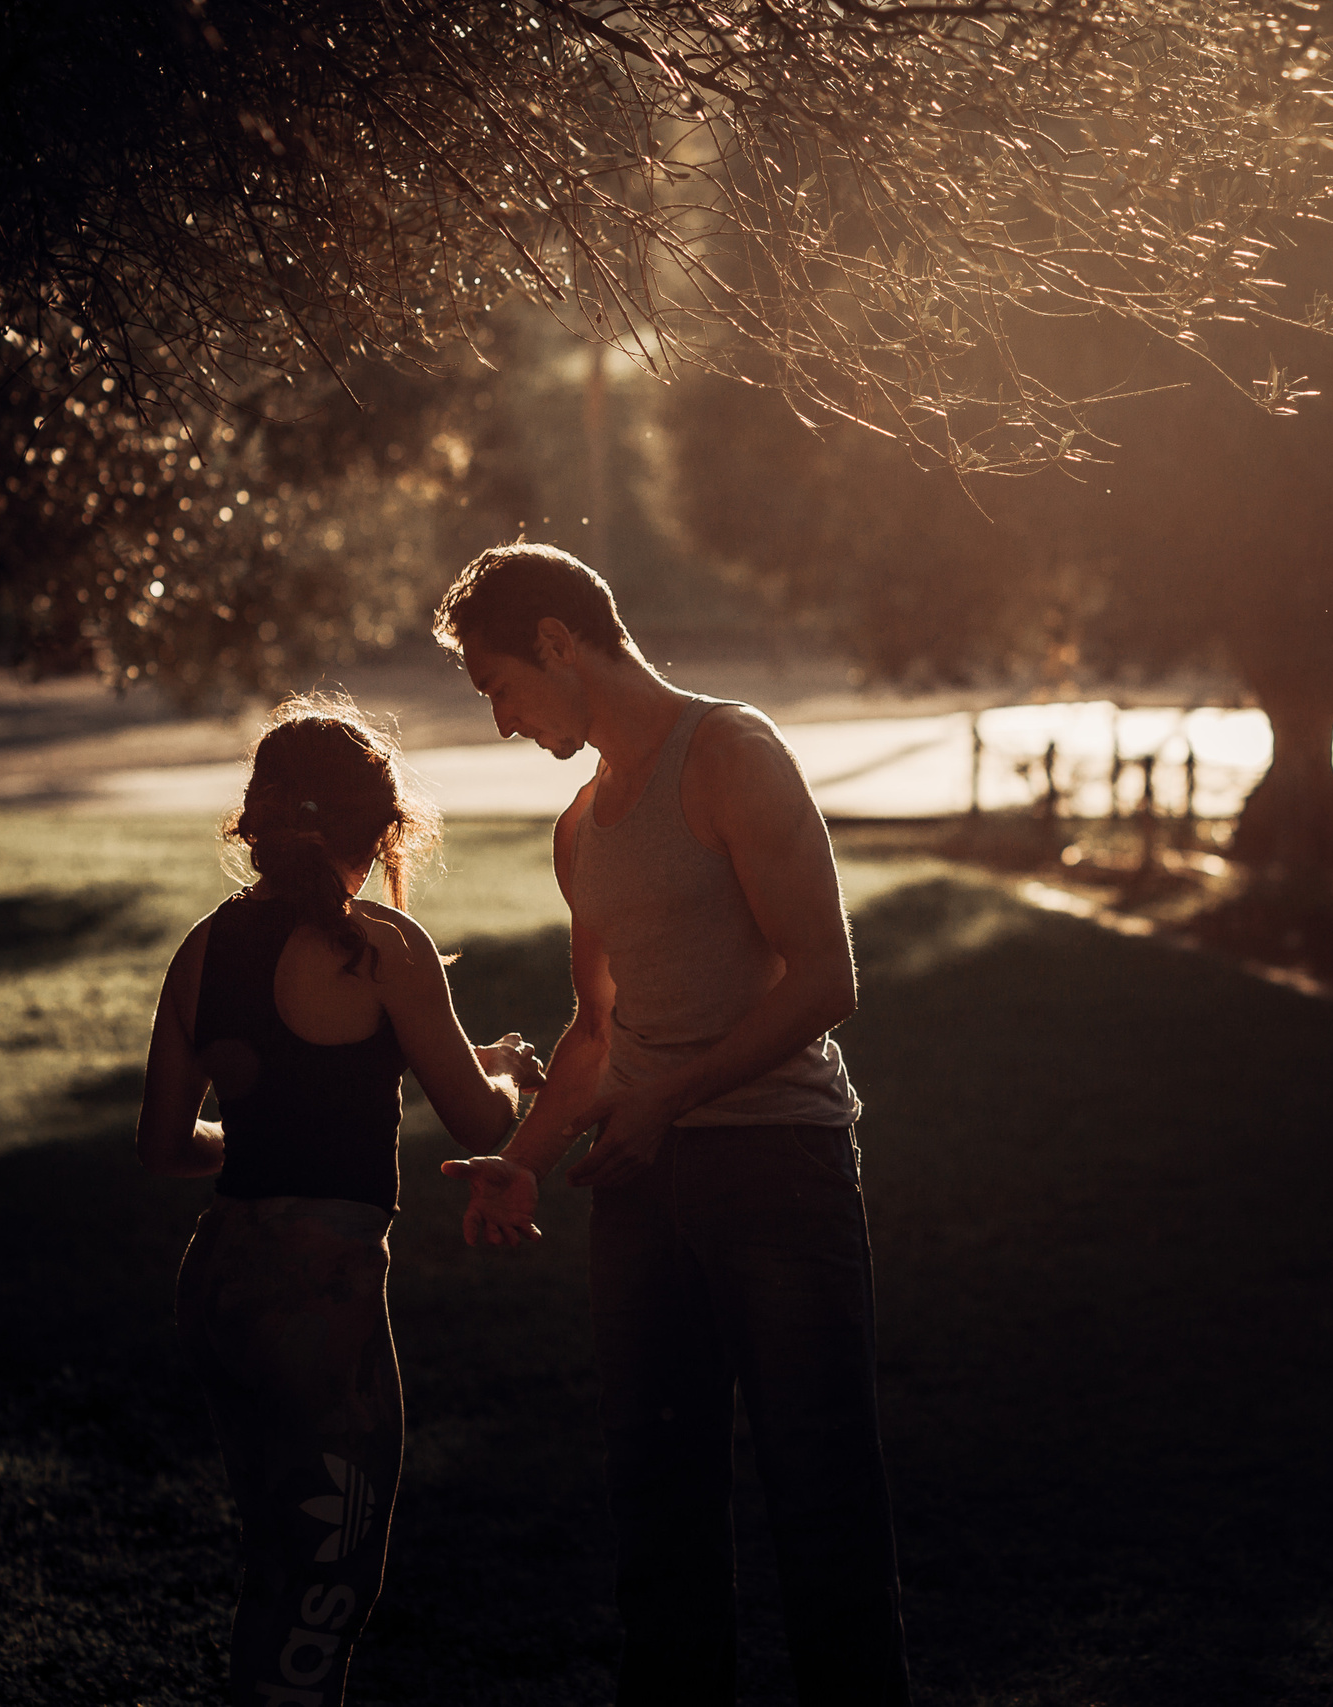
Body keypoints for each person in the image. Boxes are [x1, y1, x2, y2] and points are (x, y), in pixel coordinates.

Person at [435, 544, 910, 1705]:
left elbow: (825, 979)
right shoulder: (580, 827)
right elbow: (596, 1032)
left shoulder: (732, 755)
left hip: (778, 1169)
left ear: (557, 641)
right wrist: (522, 1160)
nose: (500, 721)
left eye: (498, 686)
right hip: (641, 1191)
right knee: (657, 1511)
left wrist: (665, 1099)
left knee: (822, 1504)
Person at [136, 694, 542, 1706]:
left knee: (276, 1555)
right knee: (329, 1578)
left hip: (220, 1278)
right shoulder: (383, 946)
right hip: (316, 1297)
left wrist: (273, 1135)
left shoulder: (207, 945)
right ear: (386, 826)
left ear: (258, 821)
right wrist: (508, 1073)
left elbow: (164, 1144)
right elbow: (479, 1123)